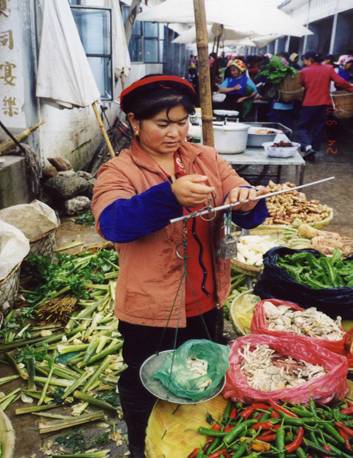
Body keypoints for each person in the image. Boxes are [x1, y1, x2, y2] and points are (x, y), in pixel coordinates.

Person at [92, 75, 268, 458]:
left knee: (205, 373)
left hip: (205, 298)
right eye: (163, 124)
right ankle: (142, 445)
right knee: (146, 381)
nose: (175, 132)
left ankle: (195, 440)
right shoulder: (119, 171)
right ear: (135, 123)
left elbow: (244, 202)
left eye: (182, 121)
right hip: (150, 308)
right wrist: (169, 196)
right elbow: (113, 223)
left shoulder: (204, 158)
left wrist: (246, 200)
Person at [298, 51, 353, 161]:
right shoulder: (328, 68)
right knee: (318, 127)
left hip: (309, 103)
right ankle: (313, 150)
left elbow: (302, 84)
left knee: (302, 127)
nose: (304, 62)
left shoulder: (304, 71)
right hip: (324, 104)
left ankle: (307, 146)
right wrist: (351, 88)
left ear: (310, 59)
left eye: (304, 59)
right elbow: (339, 82)